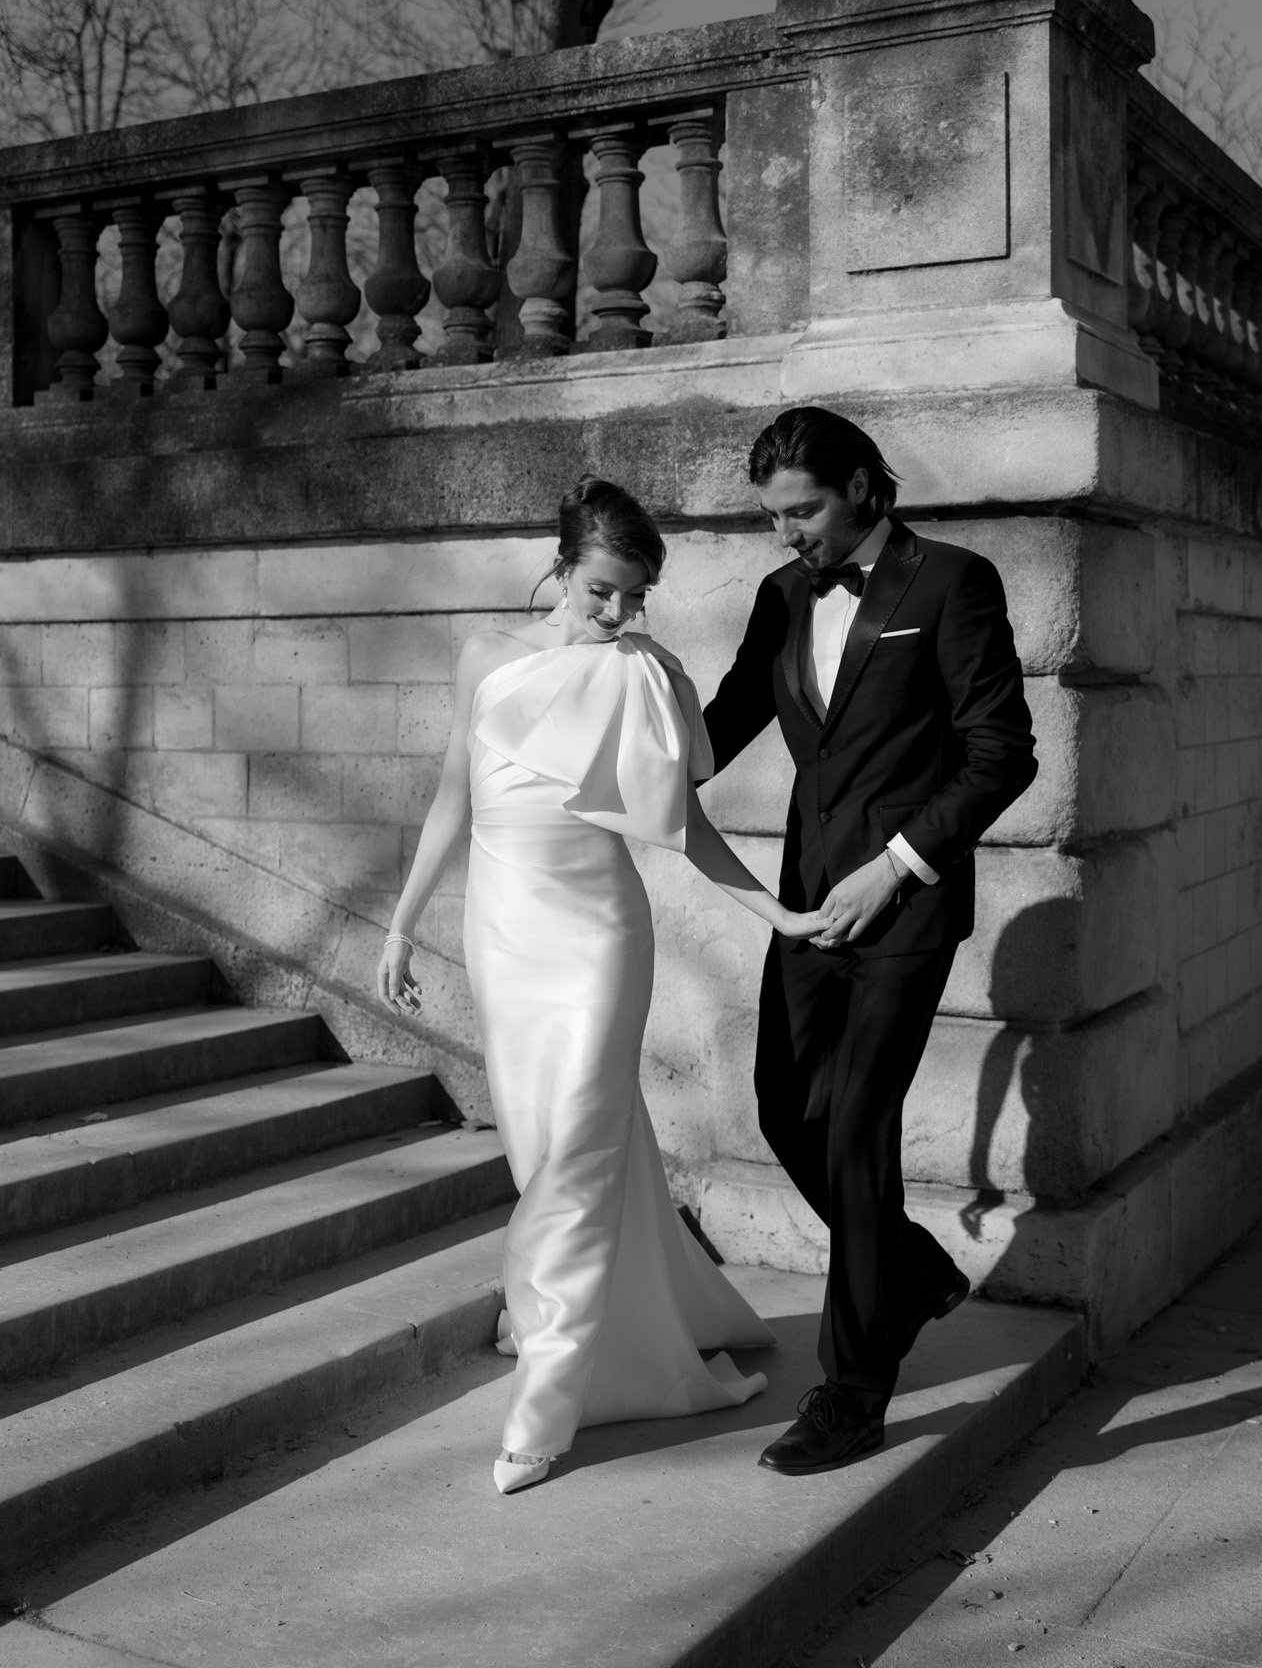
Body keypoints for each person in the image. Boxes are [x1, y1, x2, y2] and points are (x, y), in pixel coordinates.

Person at [377, 476, 826, 1495]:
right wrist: (403, 921)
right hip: (502, 929)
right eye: (602, 592)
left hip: (598, 937)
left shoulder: (644, 674)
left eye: (635, 597)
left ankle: (550, 1390)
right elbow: (456, 788)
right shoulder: (485, 656)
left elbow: (684, 825)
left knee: (577, 1143)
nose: (619, 615)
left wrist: (777, 909)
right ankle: (609, 1318)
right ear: (561, 565)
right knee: (547, 1144)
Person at [702, 406, 1037, 1476]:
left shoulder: (951, 579)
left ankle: (851, 1391)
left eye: (801, 510)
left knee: (855, 1130)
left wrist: (895, 862)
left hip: (903, 904)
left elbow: (1001, 753)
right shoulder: (783, 593)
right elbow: (721, 723)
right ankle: (910, 1269)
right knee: (782, 1105)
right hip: (806, 901)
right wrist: (598, 712)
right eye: (773, 516)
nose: (785, 532)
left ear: (860, 485)